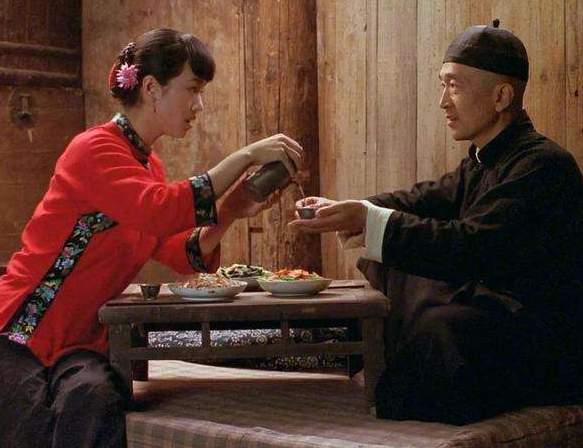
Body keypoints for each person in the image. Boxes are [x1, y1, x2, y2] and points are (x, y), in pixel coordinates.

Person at [0, 28, 303, 448]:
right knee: (29, 421)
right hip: (22, 331)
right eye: (192, 89)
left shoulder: (148, 167)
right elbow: (159, 209)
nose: (199, 105)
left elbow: (177, 250)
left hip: (82, 344)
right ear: (150, 89)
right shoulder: (93, 149)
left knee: (95, 401)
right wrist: (246, 156)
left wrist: (232, 209)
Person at [290, 21, 583, 424]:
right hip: (485, 308)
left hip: (535, 335)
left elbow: (471, 246)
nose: (443, 101)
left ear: (501, 96)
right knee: (391, 261)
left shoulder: (542, 165)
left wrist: (371, 220)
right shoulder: (482, 159)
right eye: (442, 85)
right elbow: (424, 199)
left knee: (439, 327)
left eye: (455, 86)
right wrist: (352, 208)